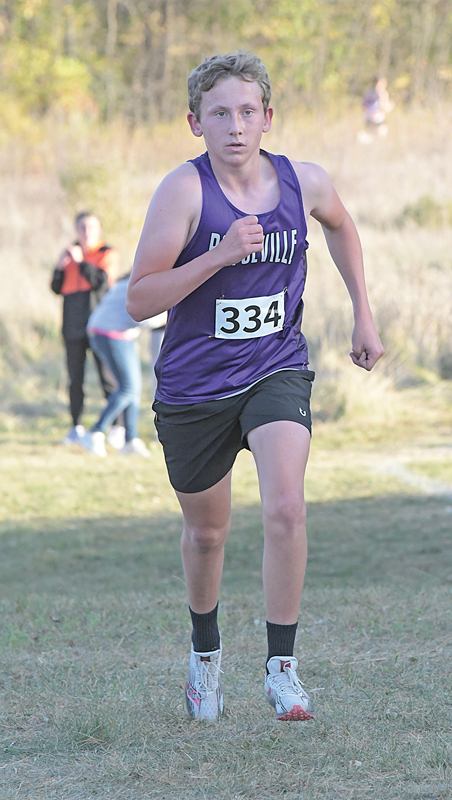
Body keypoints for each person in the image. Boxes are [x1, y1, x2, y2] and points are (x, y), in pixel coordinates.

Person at [126, 52, 384, 723]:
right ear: (195, 123)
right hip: (195, 387)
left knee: (287, 508)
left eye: (247, 112)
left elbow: (341, 225)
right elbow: (139, 299)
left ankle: (282, 670)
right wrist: (217, 255)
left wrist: (363, 312)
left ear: (268, 117)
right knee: (207, 534)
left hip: (276, 367)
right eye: (219, 114)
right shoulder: (183, 192)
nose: (235, 126)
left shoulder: (305, 182)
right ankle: (205, 657)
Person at [51, 211, 120, 445]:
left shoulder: (107, 253)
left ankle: (116, 427)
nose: (86, 232)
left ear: (99, 230)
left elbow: (101, 282)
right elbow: (56, 287)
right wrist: (60, 266)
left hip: (99, 326)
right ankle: (76, 427)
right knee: (75, 380)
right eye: (82, 228)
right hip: (72, 326)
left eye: (91, 227)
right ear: (76, 230)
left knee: (108, 378)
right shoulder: (69, 253)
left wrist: (81, 262)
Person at [81, 274, 152, 458]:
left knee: (132, 388)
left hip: (109, 333)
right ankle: (95, 432)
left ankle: (131, 440)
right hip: (111, 334)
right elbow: (142, 318)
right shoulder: (141, 285)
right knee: (129, 388)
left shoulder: (127, 281)